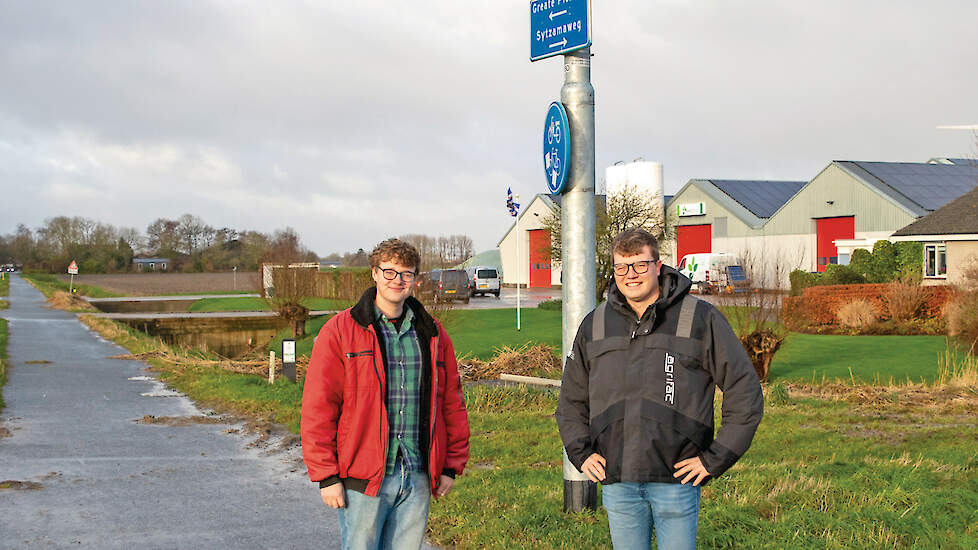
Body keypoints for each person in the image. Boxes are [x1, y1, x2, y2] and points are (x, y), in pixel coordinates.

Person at [556, 228, 763, 550]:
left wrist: (715, 458)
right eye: (622, 267)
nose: (630, 275)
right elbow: (571, 398)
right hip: (618, 479)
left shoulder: (700, 317)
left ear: (658, 264)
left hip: (677, 479)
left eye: (639, 265)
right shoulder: (595, 324)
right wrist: (581, 453)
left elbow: (743, 389)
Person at [301, 238, 470, 550]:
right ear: (374, 274)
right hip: (363, 479)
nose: (398, 281)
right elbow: (319, 407)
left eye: (406, 274)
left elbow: (451, 402)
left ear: (416, 280)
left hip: (418, 473)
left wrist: (450, 465)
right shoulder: (340, 331)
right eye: (389, 272)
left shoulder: (432, 333)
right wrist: (326, 476)